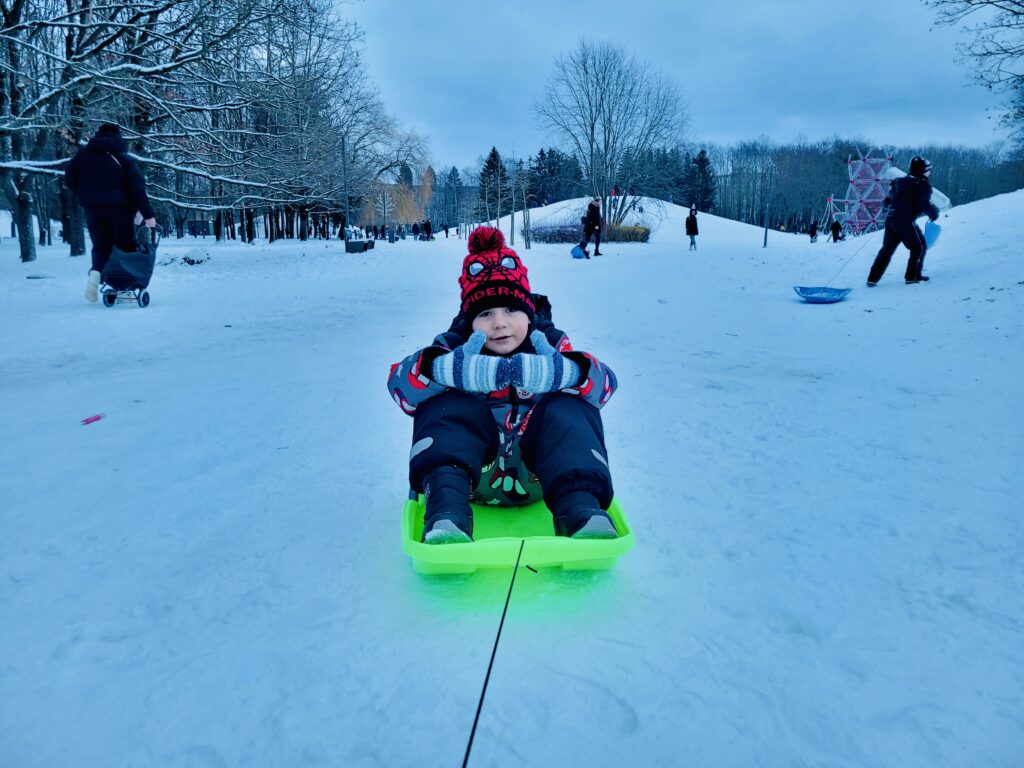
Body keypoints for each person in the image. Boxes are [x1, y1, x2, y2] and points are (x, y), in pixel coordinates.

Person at [387, 226, 619, 544]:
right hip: (468, 480)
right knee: (446, 403)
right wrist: (445, 370)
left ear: (529, 312)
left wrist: (564, 374)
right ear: (470, 322)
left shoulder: (549, 346)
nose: (499, 323)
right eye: (486, 313)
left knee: (569, 404)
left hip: (540, 477)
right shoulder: (452, 348)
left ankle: (580, 513)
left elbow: (605, 386)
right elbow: (401, 388)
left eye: (511, 310)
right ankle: (446, 518)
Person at [64, 123, 155, 302]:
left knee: (101, 245)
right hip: (120, 210)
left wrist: (85, 197)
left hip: (93, 209)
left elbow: (70, 180)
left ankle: (96, 273)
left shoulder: (82, 157)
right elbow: (137, 189)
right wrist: (148, 214)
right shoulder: (124, 159)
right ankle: (124, 286)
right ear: (117, 138)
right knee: (125, 245)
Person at [867, 156, 940, 286]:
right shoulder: (922, 185)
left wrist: (888, 208)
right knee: (919, 247)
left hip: (891, 220)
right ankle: (912, 277)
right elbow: (923, 204)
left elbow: (887, 201)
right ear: (921, 170)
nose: (930, 172)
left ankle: (872, 279)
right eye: (928, 169)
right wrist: (934, 212)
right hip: (905, 222)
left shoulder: (900, 182)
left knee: (887, 249)